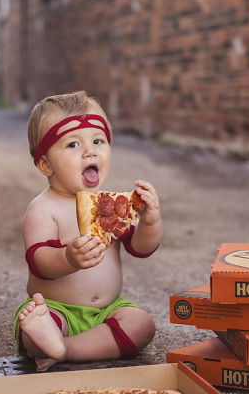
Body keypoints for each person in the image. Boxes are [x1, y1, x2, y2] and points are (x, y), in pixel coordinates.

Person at [15, 91, 162, 371]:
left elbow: (140, 248)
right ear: (45, 164)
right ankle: (47, 336)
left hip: (107, 309)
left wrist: (150, 222)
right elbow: (38, 261)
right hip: (58, 309)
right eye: (73, 145)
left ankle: (64, 349)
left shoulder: (107, 206)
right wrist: (68, 259)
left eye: (98, 141)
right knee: (33, 326)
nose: (90, 151)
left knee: (142, 325)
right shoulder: (43, 208)